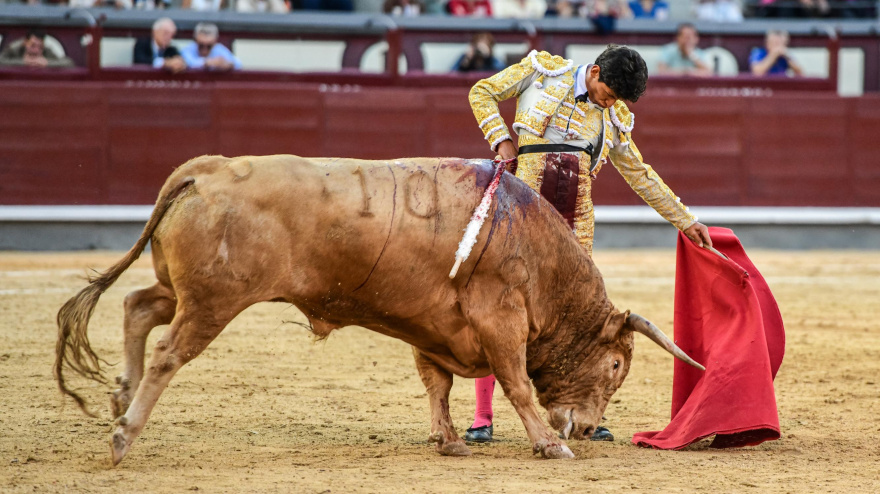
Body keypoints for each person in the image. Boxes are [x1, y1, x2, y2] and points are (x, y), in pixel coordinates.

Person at [466, 45, 712, 443]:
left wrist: (686, 221)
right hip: (523, 214)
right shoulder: (542, 72)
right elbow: (481, 91)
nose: (610, 104)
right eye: (609, 94)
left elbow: (640, 175)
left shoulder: (614, 116)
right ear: (595, 72)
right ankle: (482, 415)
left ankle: (578, 408)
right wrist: (501, 141)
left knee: (577, 323)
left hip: (575, 225)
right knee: (504, 308)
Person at [0, 29, 74, 68]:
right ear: (25, 43)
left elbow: (68, 62)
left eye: (40, 47)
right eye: (33, 45)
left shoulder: (46, 51)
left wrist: (47, 63)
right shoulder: (15, 49)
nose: (36, 50)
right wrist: (23, 62)